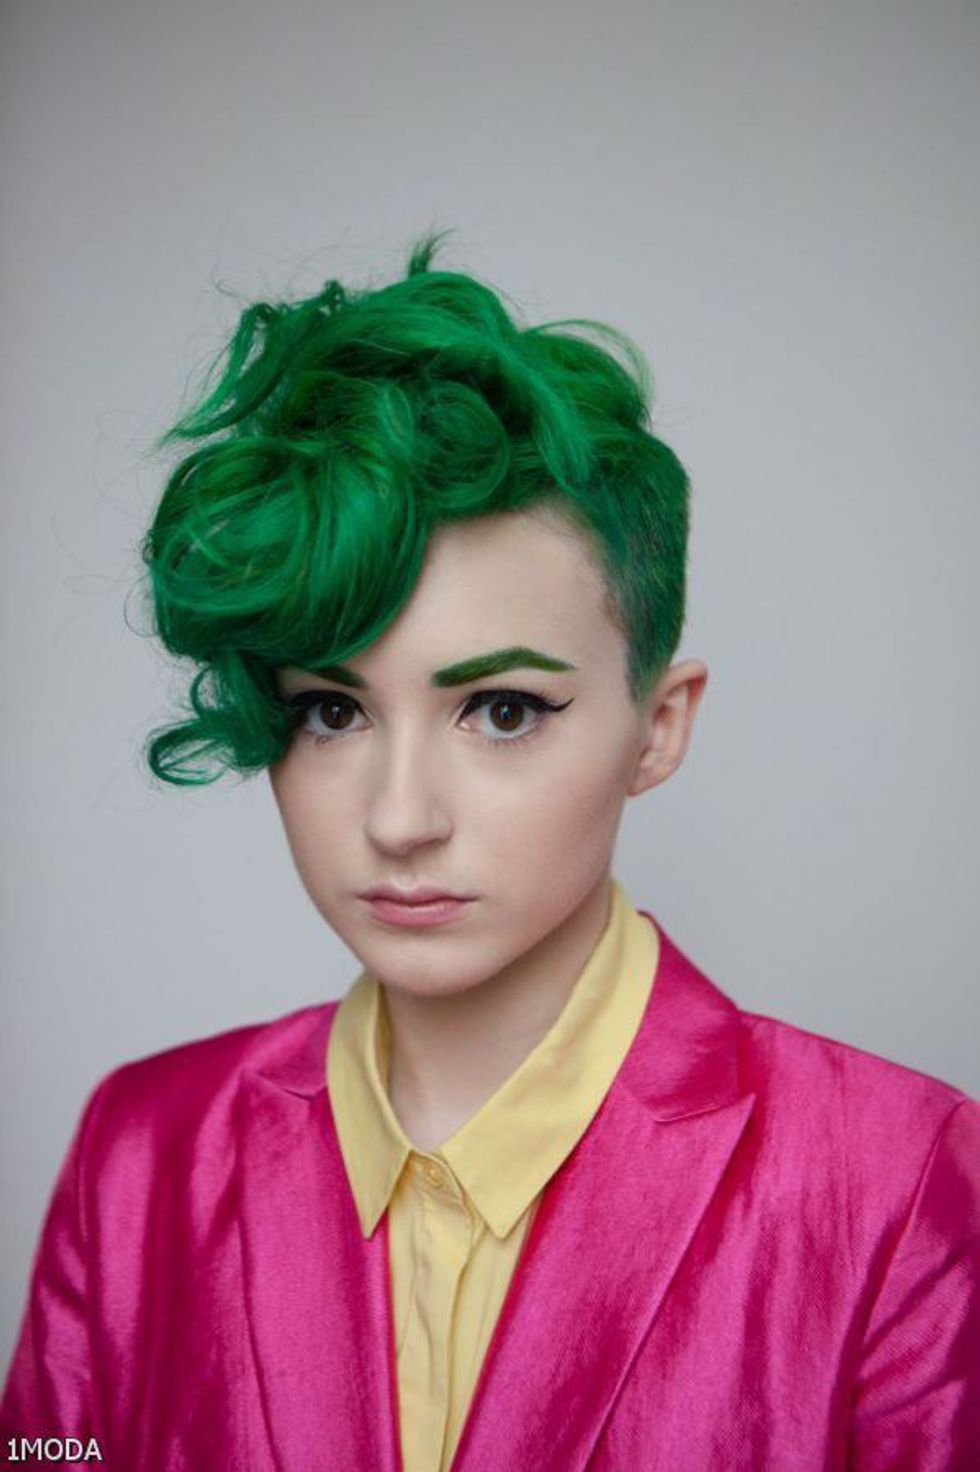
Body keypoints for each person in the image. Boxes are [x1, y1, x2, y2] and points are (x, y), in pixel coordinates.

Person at [2, 231, 978, 1471]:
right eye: (330, 710)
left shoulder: (895, 1179)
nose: (400, 816)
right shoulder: (140, 1152)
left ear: (657, 725)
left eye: (502, 709)